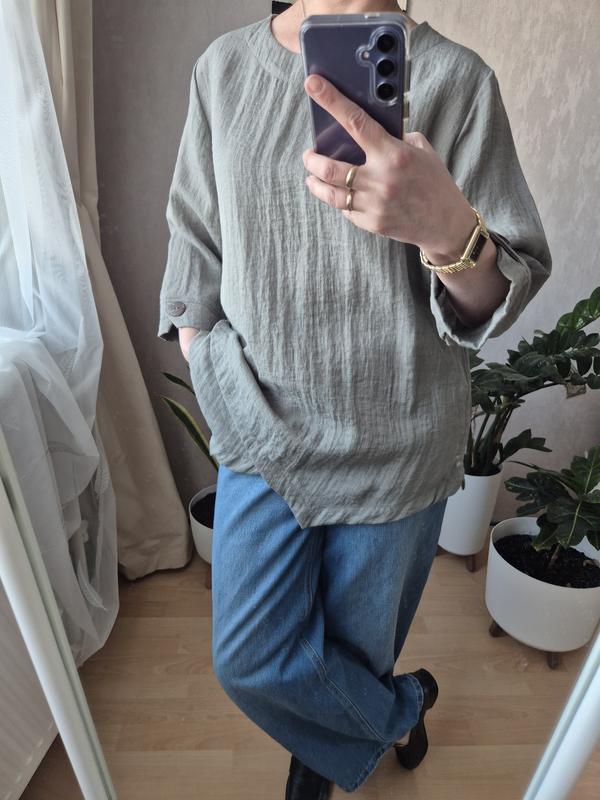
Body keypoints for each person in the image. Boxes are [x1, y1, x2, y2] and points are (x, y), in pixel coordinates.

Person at [157, 1, 552, 796]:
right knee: (251, 658)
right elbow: (194, 237)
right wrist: (204, 354)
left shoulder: (457, 81)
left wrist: (448, 233)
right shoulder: (223, 70)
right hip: (258, 418)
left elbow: (498, 294)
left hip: (398, 433)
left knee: (356, 651)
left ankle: (326, 759)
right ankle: (403, 711)